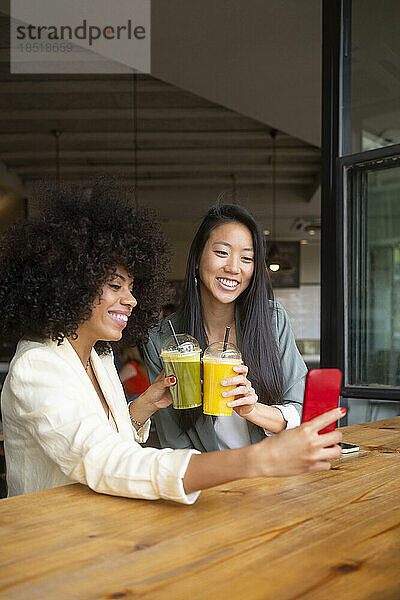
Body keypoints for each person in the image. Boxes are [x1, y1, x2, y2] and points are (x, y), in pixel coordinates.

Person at [0, 180, 343, 505]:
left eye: (132, 288)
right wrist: (254, 461)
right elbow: (106, 462)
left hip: (111, 522)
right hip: (53, 538)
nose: (132, 300)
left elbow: (110, 438)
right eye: (116, 286)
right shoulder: (38, 365)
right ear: (70, 284)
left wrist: (143, 406)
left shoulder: (98, 358)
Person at [144, 204, 308, 452]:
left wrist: (253, 410)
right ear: (197, 259)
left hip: (276, 472)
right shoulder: (162, 339)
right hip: (211, 482)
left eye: (247, 258)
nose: (234, 267)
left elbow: (302, 409)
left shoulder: (273, 320)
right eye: (222, 252)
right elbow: (175, 444)